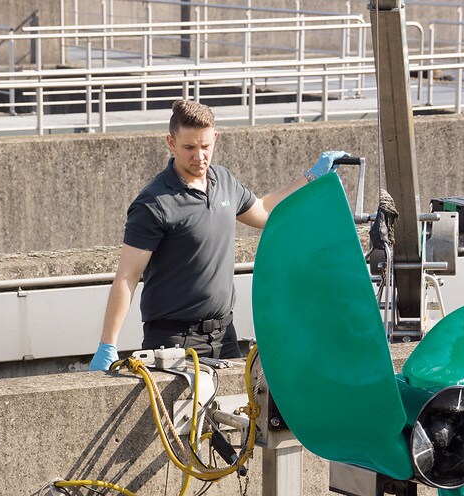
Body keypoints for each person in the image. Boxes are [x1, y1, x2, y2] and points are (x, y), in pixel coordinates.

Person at [89, 99, 347, 371]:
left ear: (215, 138)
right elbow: (127, 276)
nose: (199, 156)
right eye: (189, 147)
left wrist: (310, 179)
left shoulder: (224, 181)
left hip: (225, 336)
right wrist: (108, 344)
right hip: (173, 341)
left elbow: (264, 211)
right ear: (171, 142)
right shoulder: (153, 203)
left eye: (205, 146)